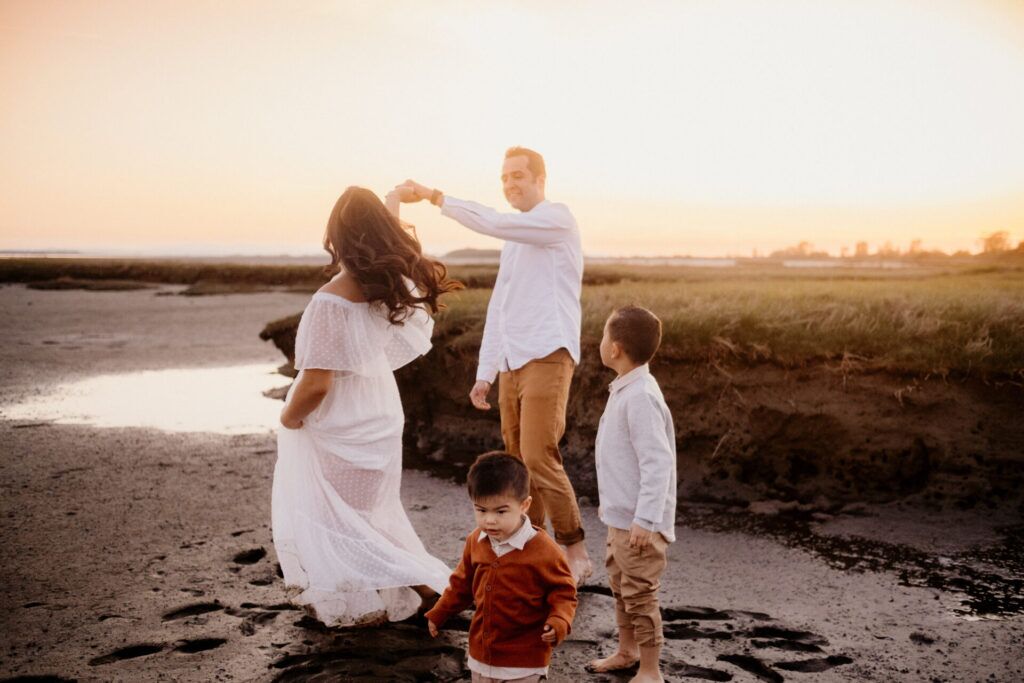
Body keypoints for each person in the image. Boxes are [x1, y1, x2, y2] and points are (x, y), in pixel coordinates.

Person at [396, 146, 593, 584]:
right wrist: (485, 373)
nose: (510, 184)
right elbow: (500, 309)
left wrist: (434, 196)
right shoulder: (514, 243)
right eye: (504, 178)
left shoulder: (556, 219)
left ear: (540, 179)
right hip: (511, 363)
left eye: (518, 176)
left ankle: (574, 549)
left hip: (549, 352)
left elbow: (497, 221)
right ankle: (532, 547)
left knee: (540, 455)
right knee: (516, 462)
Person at [272, 186, 462, 627]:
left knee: (340, 518)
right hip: (377, 415)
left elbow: (316, 383)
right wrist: (390, 204)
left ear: (337, 235)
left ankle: (431, 588)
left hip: (341, 424)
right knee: (370, 513)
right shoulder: (390, 289)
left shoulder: (329, 302)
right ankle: (416, 590)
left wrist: (288, 416)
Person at [425, 451, 577, 683]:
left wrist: (559, 622)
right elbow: (461, 585)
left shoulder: (545, 551)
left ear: (524, 505)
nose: (489, 520)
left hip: (525, 661)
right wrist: (439, 612)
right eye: (481, 510)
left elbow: (564, 593)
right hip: (481, 656)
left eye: (501, 511)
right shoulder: (475, 542)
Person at [587, 305, 677, 683]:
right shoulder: (626, 386)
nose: (601, 342)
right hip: (619, 518)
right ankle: (627, 651)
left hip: (638, 524)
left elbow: (658, 462)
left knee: (640, 595)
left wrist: (645, 519)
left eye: (605, 336)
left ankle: (651, 670)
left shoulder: (640, 395)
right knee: (621, 590)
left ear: (616, 348)